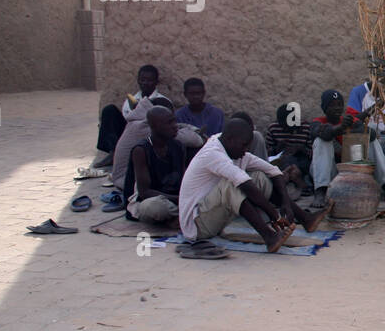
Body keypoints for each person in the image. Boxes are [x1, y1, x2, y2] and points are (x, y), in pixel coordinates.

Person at [179, 118, 327, 250]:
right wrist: (276, 216)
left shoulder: (232, 147)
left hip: (213, 216)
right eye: (243, 146)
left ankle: (305, 218)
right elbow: (246, 186)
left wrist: (285, 205)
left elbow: (274, 171)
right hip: (197, 225)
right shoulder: (213, 154)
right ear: (230, 140)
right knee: (232, 186)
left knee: (259, 177)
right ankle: (269, 236)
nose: (245, 152)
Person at [124, 105, 187, 226]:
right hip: (151, 201)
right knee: (153, 207)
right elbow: (144, 192)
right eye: (169, 123)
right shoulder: (141, 150)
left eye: (174, 120)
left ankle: (178, 218)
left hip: (174, 201)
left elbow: (184, 181)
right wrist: (179, 199)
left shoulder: (178, 146)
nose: (175, 126)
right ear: (154, 126)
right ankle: (180, 217)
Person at [95, 64, 165, 164]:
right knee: (109, 110)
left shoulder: (162, 100)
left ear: (156, 82)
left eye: (149, 80)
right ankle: (114, 152)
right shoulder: (132, 99)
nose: (145, 83)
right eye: (142, 80)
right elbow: (127, 119)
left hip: (147, 135)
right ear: (138, 81)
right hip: (129, 134)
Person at [111, 95, 174, 191]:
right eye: (169, 121)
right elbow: (193, 140)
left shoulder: (139, 121)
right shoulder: (142, 127)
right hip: (126, 181)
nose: (174, 125)